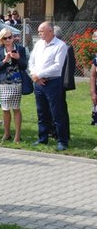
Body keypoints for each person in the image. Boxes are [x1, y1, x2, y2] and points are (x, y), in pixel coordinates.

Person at [28, 22, 69, 151]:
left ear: (50, 31)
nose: (39, 33)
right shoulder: (39, 44)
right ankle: (42, 138)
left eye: (41, 31)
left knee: (57, 113)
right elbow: (31, 60)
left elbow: (57, 66)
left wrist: (39, 74)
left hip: (53, 83)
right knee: (42, 112)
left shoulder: (60, 45)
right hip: (39, 83)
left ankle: (62, 140)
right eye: (39, 31)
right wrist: (34, 75)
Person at [0, 28, 28, 143]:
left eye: (10, 37)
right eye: (5, 38)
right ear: (1, 39)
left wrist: (18, 58)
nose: (8, 40)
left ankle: (17, 135)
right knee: (5, 109)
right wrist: (5, 60)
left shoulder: (20, 49)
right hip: (3, 83)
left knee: (16, 108)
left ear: (13, 37)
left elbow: (24, 66)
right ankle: (6, 133)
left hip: (16, 82)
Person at [53, 25, 76, 140]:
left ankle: (63, 134)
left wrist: (65, 85)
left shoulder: (67, 48)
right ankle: (52, 131)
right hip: (49, 83)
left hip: (60, 84)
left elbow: (69, 69)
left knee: (60, 109)